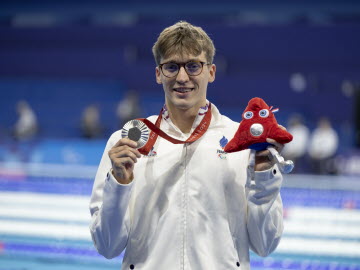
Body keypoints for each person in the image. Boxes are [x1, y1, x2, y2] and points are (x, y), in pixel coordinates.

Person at [89, 21, 285, 270]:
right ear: (158, 73)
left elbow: (265, 245)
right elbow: (107, 247)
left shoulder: (243, 142)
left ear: (211, 72)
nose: (182, 78)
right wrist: (118, 184)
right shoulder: (126, 143)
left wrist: (265, 176)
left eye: (193, 66)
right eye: (171, 67)